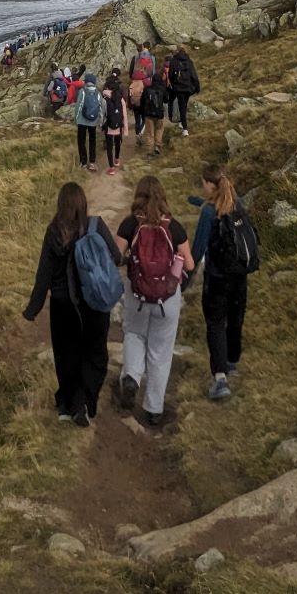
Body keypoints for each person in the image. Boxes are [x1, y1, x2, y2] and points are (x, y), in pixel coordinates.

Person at [23, 181, 116, 425]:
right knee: (94, 352)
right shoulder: (95, 226)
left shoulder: (53, 231)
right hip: (93, 301)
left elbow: (43, 275)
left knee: (66, 354)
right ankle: (83, 401)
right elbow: (115, 257)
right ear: (83, 203)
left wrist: (33, 309)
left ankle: (65, 404)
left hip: (63, 304)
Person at [112, 174, 194, 427]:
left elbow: (115, 256)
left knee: (135, 335)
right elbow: (189, 264)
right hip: (167, 299)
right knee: (160, 351)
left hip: (137, 296)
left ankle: (132, 378)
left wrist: (128, 261)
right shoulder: (174, 227)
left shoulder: (129, 225)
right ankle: (154, 409)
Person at [191, 162, 259, 401]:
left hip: (217, 278)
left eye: (203, 184)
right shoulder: (237, 203)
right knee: (235, 318)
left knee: (216, 323)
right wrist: (197, 202)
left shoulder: (209, 213)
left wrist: (183, 282)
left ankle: (220, 379)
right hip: (239, 277)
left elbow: (197, 250)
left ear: (210, 185)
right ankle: (232, 362)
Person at [167, 44, 199, 136]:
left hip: (178, 88)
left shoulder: (173, 61)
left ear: (177, 50)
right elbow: (194, 75)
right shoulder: (189, 61)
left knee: (182, 107)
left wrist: (173, 85)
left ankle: (185, 129)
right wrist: (197, 87)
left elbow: (171, 75)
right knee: (183, 106)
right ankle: (182, 123)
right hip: (188, 88)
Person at [74, 72, 103, 171]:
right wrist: (100, 121)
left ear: (86, 81)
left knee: (81, 141)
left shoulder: (82, 91)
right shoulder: (98, 93)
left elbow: (79, 106)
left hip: (82, 121)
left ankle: (83, 163)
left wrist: (76, 118)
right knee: (92, 141)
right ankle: (92, 162)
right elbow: (100, 108)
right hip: (93, 121)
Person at [101, 68, 127, 173]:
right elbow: (124, 114)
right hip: (118, 125)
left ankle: (111, 167)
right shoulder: (120, 99)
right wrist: (125, 128)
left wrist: (101, 125)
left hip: (108, 126)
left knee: (109, 145)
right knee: (117, 142)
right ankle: (117, 160)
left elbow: (102, 114)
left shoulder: (104, 99)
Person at [137, 69, 167, 156]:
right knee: (160, 129)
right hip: (159, 114)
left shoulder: (147, 89)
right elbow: (166, 100)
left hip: (149, 114)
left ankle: (150, 150)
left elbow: (142, 101)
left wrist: (142, 112)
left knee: (149, 132)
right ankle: (157, 145)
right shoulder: (162, 89)